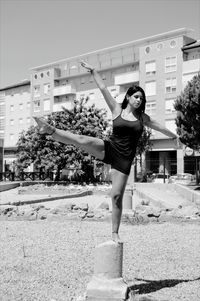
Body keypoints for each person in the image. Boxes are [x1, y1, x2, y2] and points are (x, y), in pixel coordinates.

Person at [34, 60, 178, 242]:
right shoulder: (116, 109)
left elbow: (160, 127)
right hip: (109, 148)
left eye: (141, 98)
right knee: (81, 139)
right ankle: (51, 130)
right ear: (128, 97)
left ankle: (114, 233)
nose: (139, 100)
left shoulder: (143, 117)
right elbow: (103, 89)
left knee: (116, 196)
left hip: (124, 159)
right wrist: (93, 71)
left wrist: (174, 136)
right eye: (136, 96)